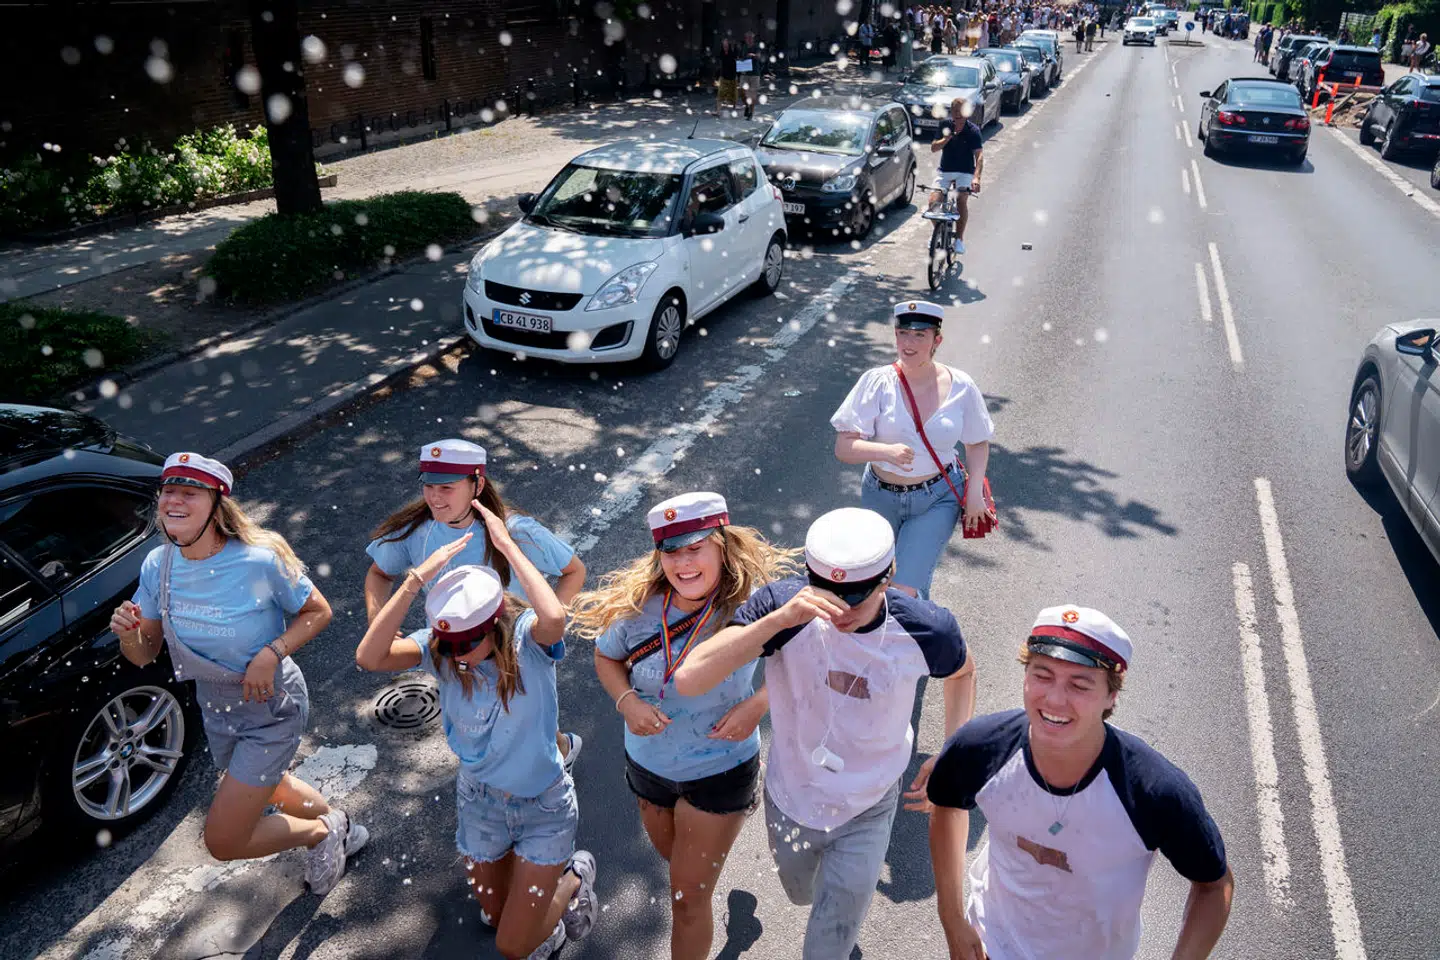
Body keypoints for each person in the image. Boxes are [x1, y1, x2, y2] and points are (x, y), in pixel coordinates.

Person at [673, 507, 977, 960]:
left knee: (825, 945)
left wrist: (953, 751)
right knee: (800, 893)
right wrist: (777, 622)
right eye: (827, 595)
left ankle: (837, 930)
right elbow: (690, 678)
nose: (839, 611)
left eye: (854, 598)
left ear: (888, 577)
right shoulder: (782, 607)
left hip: (868, 804)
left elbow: (963, 673)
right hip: (791, 794)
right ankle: (831, 904)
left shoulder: (926, 628)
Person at [110, 453, 365, 893]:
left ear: (216, 504)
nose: (174, 500)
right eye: (169, 491)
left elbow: (317, 611)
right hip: (217, 705)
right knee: (272, 785)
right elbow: (142, 655)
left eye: (189, 493)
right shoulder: (159, 565)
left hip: (271, 703)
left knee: (223, 840)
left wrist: (273, 651)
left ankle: (325, 832)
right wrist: (128, 633)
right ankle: (342, 826)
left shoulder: (259, 560)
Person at [356, 505, 598, 960]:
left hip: (542, 805)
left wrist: (506, 546)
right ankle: (535, 902)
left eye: (467, 643)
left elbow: (555, 618)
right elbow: (370, 657)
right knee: (494, 914)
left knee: (512, 944)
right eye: (448, 645)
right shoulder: (441, 648)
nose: (457, 656)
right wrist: (410, 584)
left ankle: (574, 878)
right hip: (479, 804)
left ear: (494, 623)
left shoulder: (529, 640)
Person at [927, 605, 1235, 959]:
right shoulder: (981, 747)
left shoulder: (1154, 791)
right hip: (992, 944)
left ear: (1111, 695)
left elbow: (1214, 886)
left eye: (1079, 685)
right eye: (1042, 675)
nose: (1055, 699)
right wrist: (952, 920)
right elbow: (947, 804)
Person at [571, 492, 799, 960]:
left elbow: (806, 663)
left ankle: (705, 902)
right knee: (681, 871)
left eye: (695, 548)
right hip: (649, 765)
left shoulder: (755, 604)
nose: (683, 563)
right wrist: (626, 700)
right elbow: (606, 655)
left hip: (721, 767)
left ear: (721, 544)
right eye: (672, 552)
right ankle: (726, 916)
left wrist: (758, 704)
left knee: (686, 896)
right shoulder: (637, 606)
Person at [365, 439, 586, 771]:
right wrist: (377, 617)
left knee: (531, 722)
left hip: (515, 649)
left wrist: (546, 629)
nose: (435, 498)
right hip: (455, 647)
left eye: (447, 488)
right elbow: (379, 573)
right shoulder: (416, 532)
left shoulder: (515, 531)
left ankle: (558, 755)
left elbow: (573, 571)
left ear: (477, 484)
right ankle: (491, 781)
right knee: (476, 722)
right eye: (428, 486)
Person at [831, 301, 995, 600]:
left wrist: (974, 495)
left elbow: (977, 442)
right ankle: (909, 633)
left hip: (936, 497)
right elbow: (844, 448)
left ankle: (918, 637)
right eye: (903, 333)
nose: (909, 343)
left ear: (937, 340)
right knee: (873, 585)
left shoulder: (962, 386)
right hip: (880, 495)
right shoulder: (877, 382)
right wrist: (885, 452)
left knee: (903, 590)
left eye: (920, 335)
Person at [927, 99, 985, 255]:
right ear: (951, 112)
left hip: (965, 172)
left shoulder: (973, 130)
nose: (958, 115)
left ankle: (959, 239)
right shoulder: (945, 126)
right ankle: (938, 233)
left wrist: (976, 178)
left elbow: (979, 156)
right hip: (945, 170)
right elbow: (933, 148)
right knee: (933, 203)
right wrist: (946, 139)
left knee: (961, 199)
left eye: (961, 111)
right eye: (955, 111)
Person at [717, 38, 739, 114]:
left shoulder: (732, 52)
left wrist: (737, 75)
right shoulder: (721, 52)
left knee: (734, 93)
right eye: (723, 45)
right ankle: (718, 111)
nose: (725, 46)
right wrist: (719, 75)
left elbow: (737, 62)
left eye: (726, 45)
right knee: (720, 93)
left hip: (733, 75)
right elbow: (720, 64)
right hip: (724, 76)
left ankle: (734, 107)